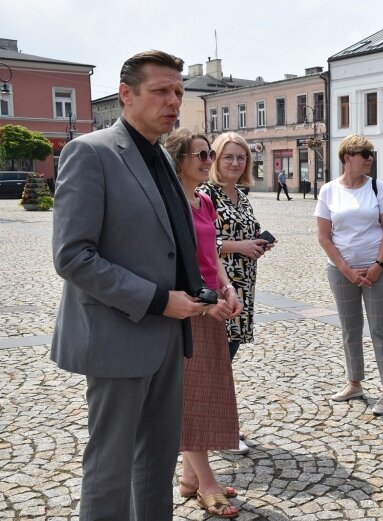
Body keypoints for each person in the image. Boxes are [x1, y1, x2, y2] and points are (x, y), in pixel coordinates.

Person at [51, 50, 208, 520]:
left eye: (178, 92)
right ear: (126, 94)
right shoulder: (92, 151)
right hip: (119, 334)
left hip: (168, 336)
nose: (173, 101)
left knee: (157, 462)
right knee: (111, 467)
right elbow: (73, 256)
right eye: (161, 90)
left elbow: (168, 240)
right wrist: (160, 299)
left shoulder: (160, 157)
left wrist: (200, 290)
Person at [164, 129, 243, 518]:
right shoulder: (169, 204)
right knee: (193, 398)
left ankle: (189, 477)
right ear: (178, 159)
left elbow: (212, 255)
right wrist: (201, 304)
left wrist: (229, 289)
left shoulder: (204, 201)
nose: (207, 159)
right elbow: (172, 266)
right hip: (188, 310)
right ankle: (207, 483)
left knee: (210, 393)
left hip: (213, 304)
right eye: (199, 154)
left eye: (208, 152)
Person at [314, 134, 383, 416]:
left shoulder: (377, 187)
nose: (370, 158)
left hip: (379, 269)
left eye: (371, 153)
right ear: (347, 158)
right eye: (365, 153)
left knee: (379, 329)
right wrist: (347, 270)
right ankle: (355, 383)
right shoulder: (328, 191)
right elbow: (324, 237)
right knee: (350, 329)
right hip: (341, 272)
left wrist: (377, 264)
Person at [199, 132, 270, 455]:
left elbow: (243, 232)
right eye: (228, 156)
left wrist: (256, 243)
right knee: (217, 363)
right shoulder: (206, 194)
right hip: (220, 288)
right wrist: (240, 246)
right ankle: (219, 432)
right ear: (214, 159)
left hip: (244, 287)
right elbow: (200, 241)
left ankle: (213, 428)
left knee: (225, 359)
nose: (235, 162)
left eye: (241, 157)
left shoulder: (241, 193)